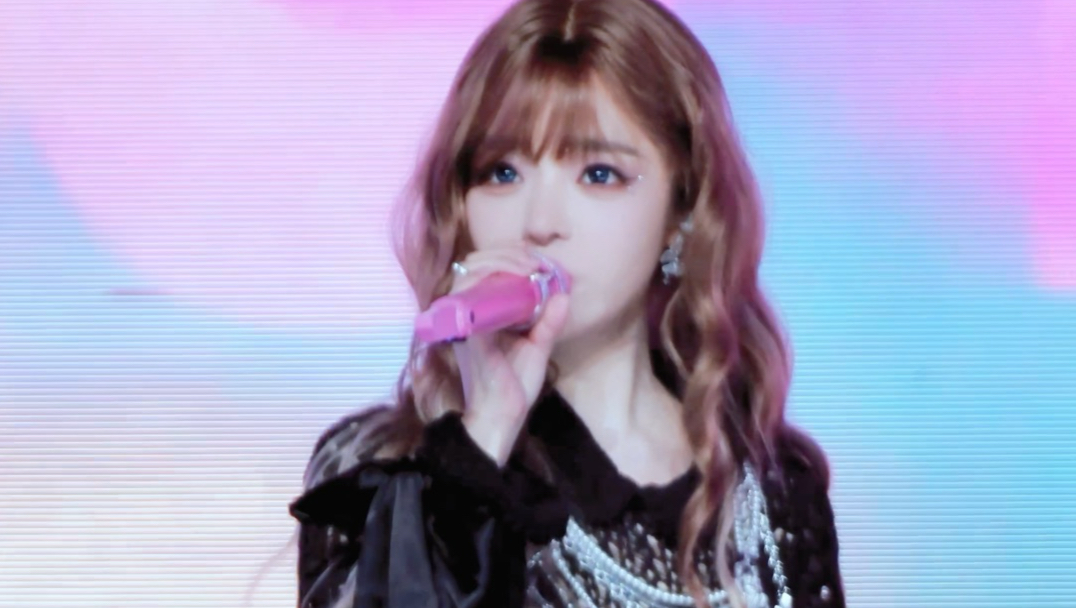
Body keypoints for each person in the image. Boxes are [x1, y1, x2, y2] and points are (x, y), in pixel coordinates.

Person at [287, 0, 846, 606]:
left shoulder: (773, 489)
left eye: (599, 174)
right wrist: (484, 438)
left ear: (681, 211)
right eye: (502, 173)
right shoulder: (380, 473)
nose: (540, 221)